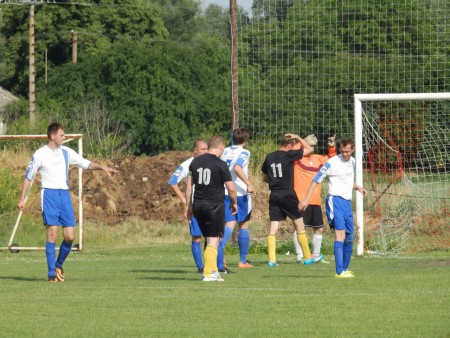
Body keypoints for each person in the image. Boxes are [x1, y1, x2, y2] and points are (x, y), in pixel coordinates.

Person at [17, 123, 118, 282]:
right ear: (52, 136)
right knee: (52, 235)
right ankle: (51, 274)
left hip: (64, 195)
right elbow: (28, 177)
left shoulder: (66, 152)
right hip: (49, 195)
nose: (64, 137)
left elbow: (87, 163)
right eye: (62, 135)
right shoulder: (40, 154)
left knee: (70, 237)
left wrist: (103, 167)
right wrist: (22, 198)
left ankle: (58, 264)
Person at [299, 138, 367, 278]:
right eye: (342, 151)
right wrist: (306, 198)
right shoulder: (333, 162)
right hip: (334, 201)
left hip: (347, 202)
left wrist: (357, 187)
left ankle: (345, 269)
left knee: (349, 237)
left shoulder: (353, 162)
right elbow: (316, 179)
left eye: (347, 152)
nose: (345, 154)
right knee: (340, 235)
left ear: (353, 150)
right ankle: (339, 272)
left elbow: (345, 181)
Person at [185, 136, 237, 282]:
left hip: (198, 205)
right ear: (221, 148)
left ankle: (213, 271)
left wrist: (188, 206)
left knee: (209, 238)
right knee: (213, 240)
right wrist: (234, 203)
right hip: (214, 205)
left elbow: (189, 187)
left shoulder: (195, 162)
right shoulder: (220, 164)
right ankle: (208, 273)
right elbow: (231, 189)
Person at [261, 133, 317, 266]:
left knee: (273, 227)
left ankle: (272, 260)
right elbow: (310, 149)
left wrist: (274, 181)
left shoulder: (269, 157)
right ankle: (308, 257)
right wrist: (298, 137)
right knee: (299, 225)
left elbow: (264, 177)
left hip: (274, 194)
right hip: (287, 194)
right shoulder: (289, 155)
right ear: (289, 145)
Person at [292, 134, 337, 263]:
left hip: (315, 200)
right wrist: (302, 141)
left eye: (312, 145)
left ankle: (315, 255)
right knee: (300, 228)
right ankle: (300, 256)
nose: (310, 147)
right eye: (308, 145)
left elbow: (332, 159)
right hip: (301, 200)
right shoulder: (296, 158)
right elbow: (292, 151)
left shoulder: (318, 158)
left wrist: (331, 146)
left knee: (319, 228)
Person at [168, 139, 208, 273]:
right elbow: (173, 181)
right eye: (202, 149)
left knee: (212, 235)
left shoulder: (210, 162)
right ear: (195, 150)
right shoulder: (187, 164)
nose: (205, 151)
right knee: (197, 236)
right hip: (195, 204)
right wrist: (183, 199)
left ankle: (212, 264)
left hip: (210, 203)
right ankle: (200, 267)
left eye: (207, 148)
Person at [217, 127, 254, 270]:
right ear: (246, 140)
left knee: (229, 224)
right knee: (243, 224)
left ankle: (220, 257)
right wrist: (249, 183)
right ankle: (242, 261)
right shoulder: (244, 152)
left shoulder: (224, 150)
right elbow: (237, 168)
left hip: (225, 191)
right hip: (240, 194)